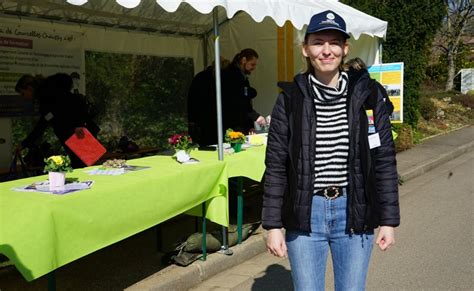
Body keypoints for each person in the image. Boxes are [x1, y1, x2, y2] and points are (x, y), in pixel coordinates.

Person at [262, 10, 400, 291]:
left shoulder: (369, 97)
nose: (326, 50)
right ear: (306, 49)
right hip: (305, 215)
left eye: (334, 42)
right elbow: (276, 165)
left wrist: (388, 220)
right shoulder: (289, 100)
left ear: (345, 49)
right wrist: (273, 225)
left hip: (354, 211)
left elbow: (384, 160)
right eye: (318, 42)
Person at [15, 73, 100, 168]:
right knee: (81, 166)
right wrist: (24, 144)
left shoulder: (51, 93)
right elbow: (41, 125)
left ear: (29, 88)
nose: (24, 97)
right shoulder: (44, 101)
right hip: (70, 137)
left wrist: (79, 124)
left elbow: (77, 102)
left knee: (86, 166)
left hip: (79, 134)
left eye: (23, 93)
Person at [221, 48, 266, 134]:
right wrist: (255, 117)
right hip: (233, 125)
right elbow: (240, 103)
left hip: (239, 123)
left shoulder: (240, 76)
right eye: (252, 64)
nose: (253, 68)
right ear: (244, 60)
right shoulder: (232, 76)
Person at [187, 58, 230, 145]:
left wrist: (192, 119)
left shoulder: (200, 77)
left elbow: (191, 100)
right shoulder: (217, 78)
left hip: (201, 119)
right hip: (209, 119)